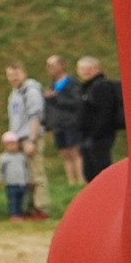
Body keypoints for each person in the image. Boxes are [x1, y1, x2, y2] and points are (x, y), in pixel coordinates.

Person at [3, 61, 49, 218]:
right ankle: (31, 207)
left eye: (16, 74)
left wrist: (32, 139)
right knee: (26, 176)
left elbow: (35, 115)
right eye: (10, 75)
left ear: (24, 73)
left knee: (37, 174)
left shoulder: (31, 90)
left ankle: (41, 208)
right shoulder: (15, 92)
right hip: (19, 138)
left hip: (30, 136)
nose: (13, 78)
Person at [75, 56, 124, 180]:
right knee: (89, 172)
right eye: (82, 69)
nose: (86, 71)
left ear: (97, 69)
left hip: (99, 136)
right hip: (88, 136)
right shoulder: (87, 87)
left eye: (89, 68)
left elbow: (105, 112)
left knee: (101, 171)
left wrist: (94, 135)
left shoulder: (100, 86)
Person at [46, 54, 86, 188]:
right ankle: (71, 181)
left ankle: (80, 179)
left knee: (75, 152)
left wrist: (56, 99)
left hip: (71, 122)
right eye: (48, 65)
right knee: (64, 153)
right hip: (58, 124)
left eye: (52, 65)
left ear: (62, 66)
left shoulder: (71, 82)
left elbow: (76, 102)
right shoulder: (52, 84)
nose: (49, 68)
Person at [0, 132, 32, 220]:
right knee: (13, 200)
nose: (12, 146)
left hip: (22, 183)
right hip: (11, 183)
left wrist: (28, 179)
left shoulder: (22, 156)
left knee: (21, 199)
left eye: (14, 144)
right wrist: (1, 180)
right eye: (9, 144)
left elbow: (26, 169)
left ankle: (20, 213)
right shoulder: (3, 157)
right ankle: (14, 214)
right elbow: (0, 170)